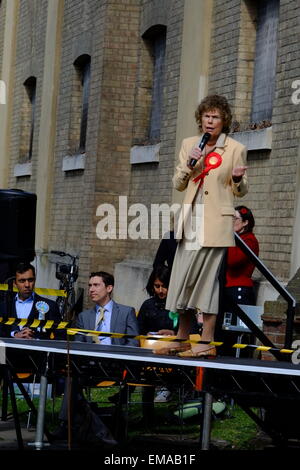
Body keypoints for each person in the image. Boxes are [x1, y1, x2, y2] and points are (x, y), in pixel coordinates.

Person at [155, 94, 248, 358]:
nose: (210, 121)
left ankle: (206, 341)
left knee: (207, 281)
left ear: (223, 120)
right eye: (206, 116)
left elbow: (240, 191)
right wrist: (189, 164)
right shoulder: (188, 145)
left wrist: (238, 179)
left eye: (215, 116)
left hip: (216, 223)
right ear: (201, 120)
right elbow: (178, 183)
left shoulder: (235, 148)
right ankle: (181, 337)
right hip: (190, 221)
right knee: (183, 279)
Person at [52, 271, 139, 441]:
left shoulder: (126, 312)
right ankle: (67, 425)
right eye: (90, 285)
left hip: (116, 365)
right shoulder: (84, 317)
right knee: (71, 376)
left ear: (109, 288)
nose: (91, 289)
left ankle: (86, 423)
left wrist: (116, 355)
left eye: (96, 285)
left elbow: (134, 343)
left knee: (74, 383)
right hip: (89, 366)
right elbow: (78, 346)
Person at [0, 262, 62, 339]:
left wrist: (36, 339)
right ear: (15, 284)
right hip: (10, 351)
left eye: (30, 280)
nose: (27, 285)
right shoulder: (4, 306)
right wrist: (14, 334)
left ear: (34, 280)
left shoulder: (50, 306)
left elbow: (60, 337)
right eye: (22, 281)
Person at [224, 205, 259, 308]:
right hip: (227, 287)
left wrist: (229, 237)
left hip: (240, 289)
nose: (232, 221)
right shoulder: (236, 238)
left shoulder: (249, 240)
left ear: (245, 222)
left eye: (235, 218)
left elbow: (233, 261)